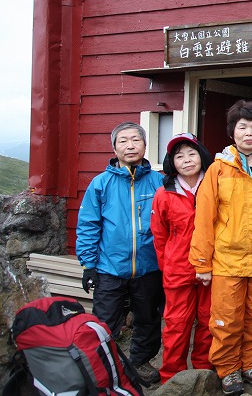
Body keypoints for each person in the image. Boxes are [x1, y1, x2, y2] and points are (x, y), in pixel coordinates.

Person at [190, 100, 252, 395]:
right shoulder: (218, 169)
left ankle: (251, 364)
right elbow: (204, 218)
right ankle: (228, 369)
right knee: (227, 318)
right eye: (242, 126)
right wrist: (202, 263)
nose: (249, 132)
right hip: (227, 261)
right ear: (232, 132)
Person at [76, 122, 164, 387]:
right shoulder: (100, 184)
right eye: (123, 141)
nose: (130, 146)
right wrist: (89, 265)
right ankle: (106, 367)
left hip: (149, 267)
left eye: (136, 140)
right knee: (105, 323)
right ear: (114, 148)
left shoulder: (159, 182)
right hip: (109, 268)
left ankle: (140, 363)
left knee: (147, 319)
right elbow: (88, 224)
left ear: (145, 145)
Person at [151, 133, 214, 384]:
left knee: (209, 322)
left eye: (191, 153)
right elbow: (159, 236)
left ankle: (203, 372)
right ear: (172, 162)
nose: (187, 160)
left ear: (202, 156)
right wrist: (168, 267)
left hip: (212, 267)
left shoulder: (214, 185)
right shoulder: (164, 194)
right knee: (176, 325)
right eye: (179, 156)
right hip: (178, 270)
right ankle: (172, 377)